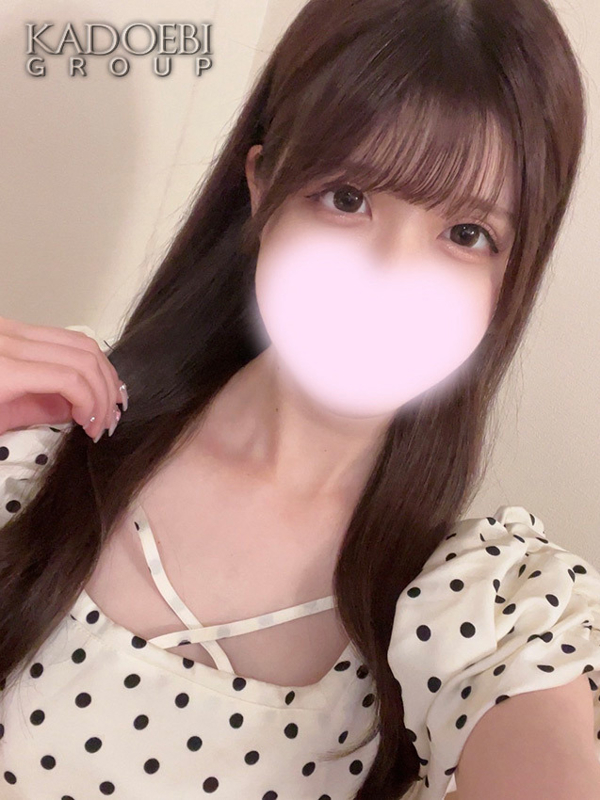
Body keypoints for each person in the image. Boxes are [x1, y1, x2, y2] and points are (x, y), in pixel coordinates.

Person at [1, 0, 599, 798]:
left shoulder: (482, 606)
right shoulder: (42, 428)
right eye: (348, 197)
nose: (389, 278)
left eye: (467, 234)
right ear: (261, 185)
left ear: (510, 276)